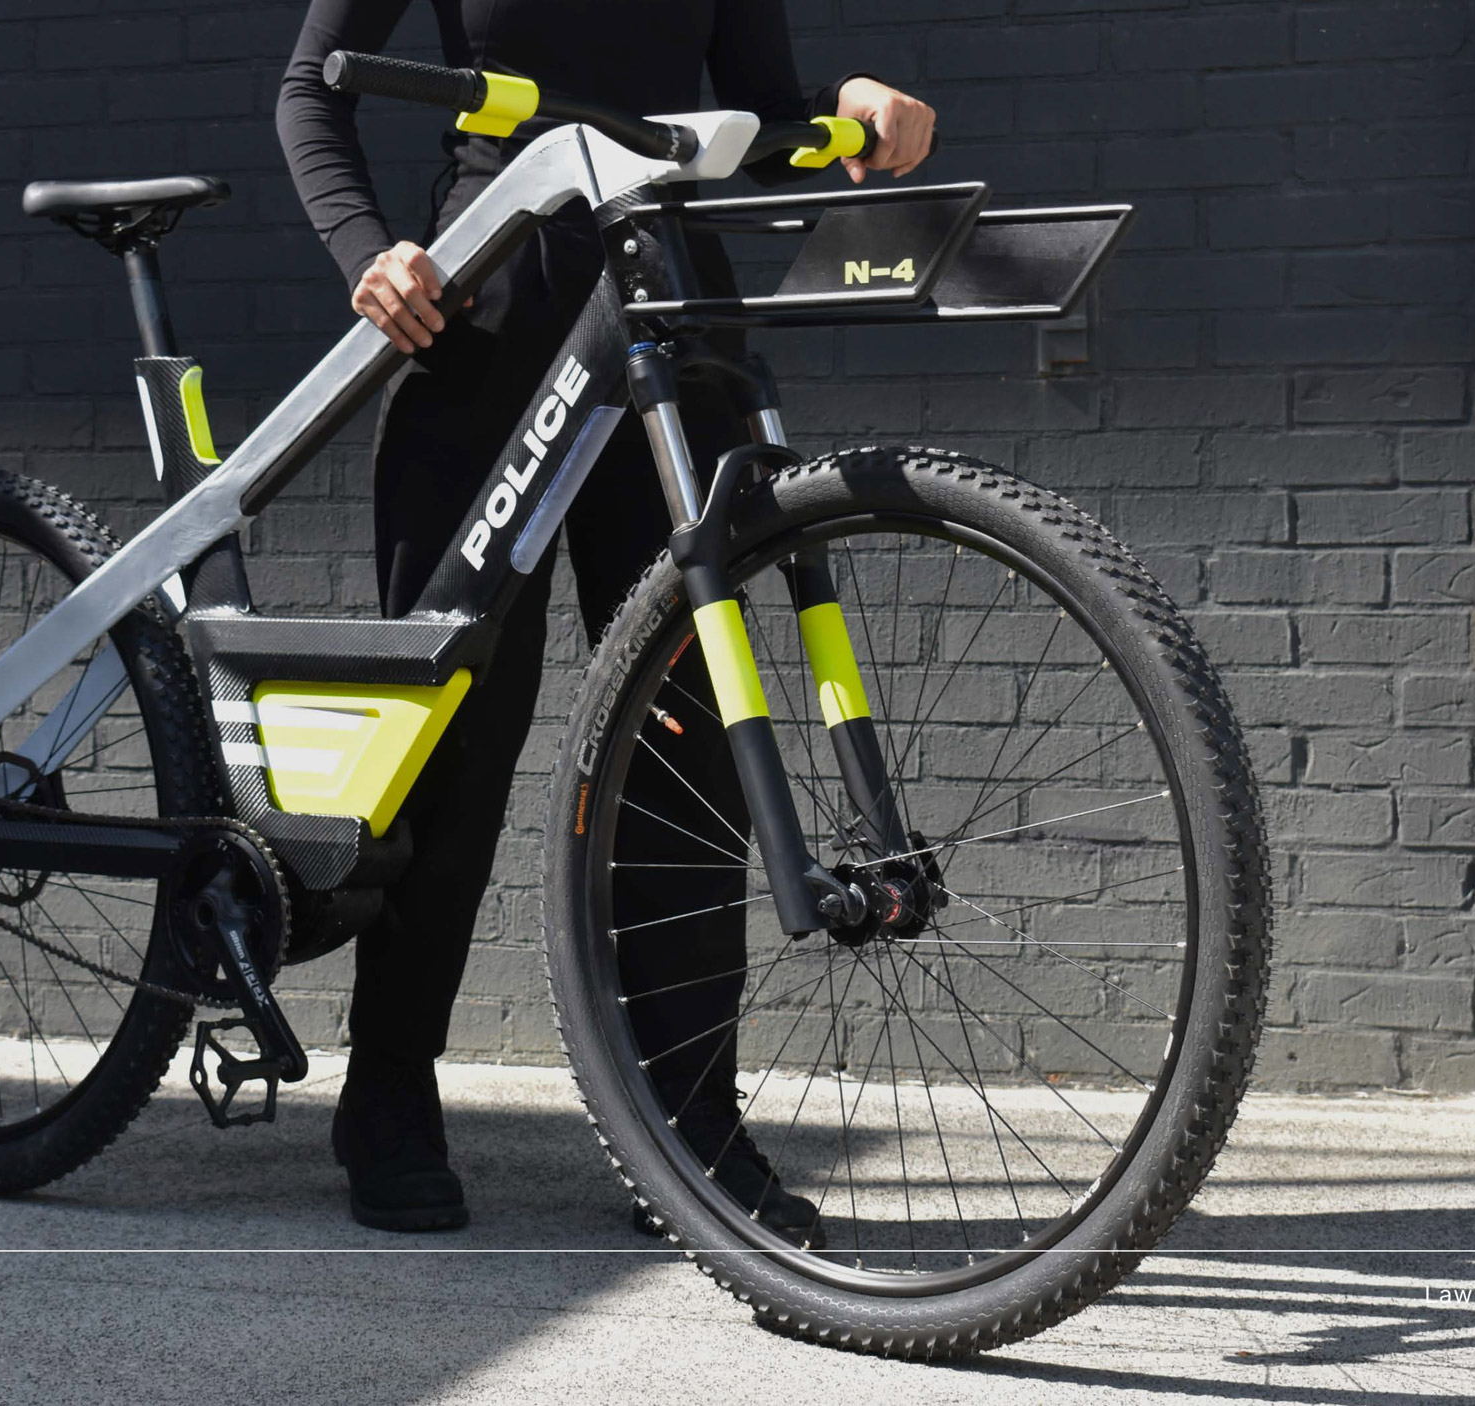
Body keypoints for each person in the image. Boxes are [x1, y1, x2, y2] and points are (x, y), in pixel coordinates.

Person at [275, 0, 934, 1234]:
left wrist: (851, 120)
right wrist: (370, 250)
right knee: (450, 752)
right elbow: (311, 88)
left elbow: (765, 116)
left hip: (674, 319)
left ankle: (689, 1127)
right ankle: (386, 1093)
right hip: (482, 316)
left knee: (690, 742)